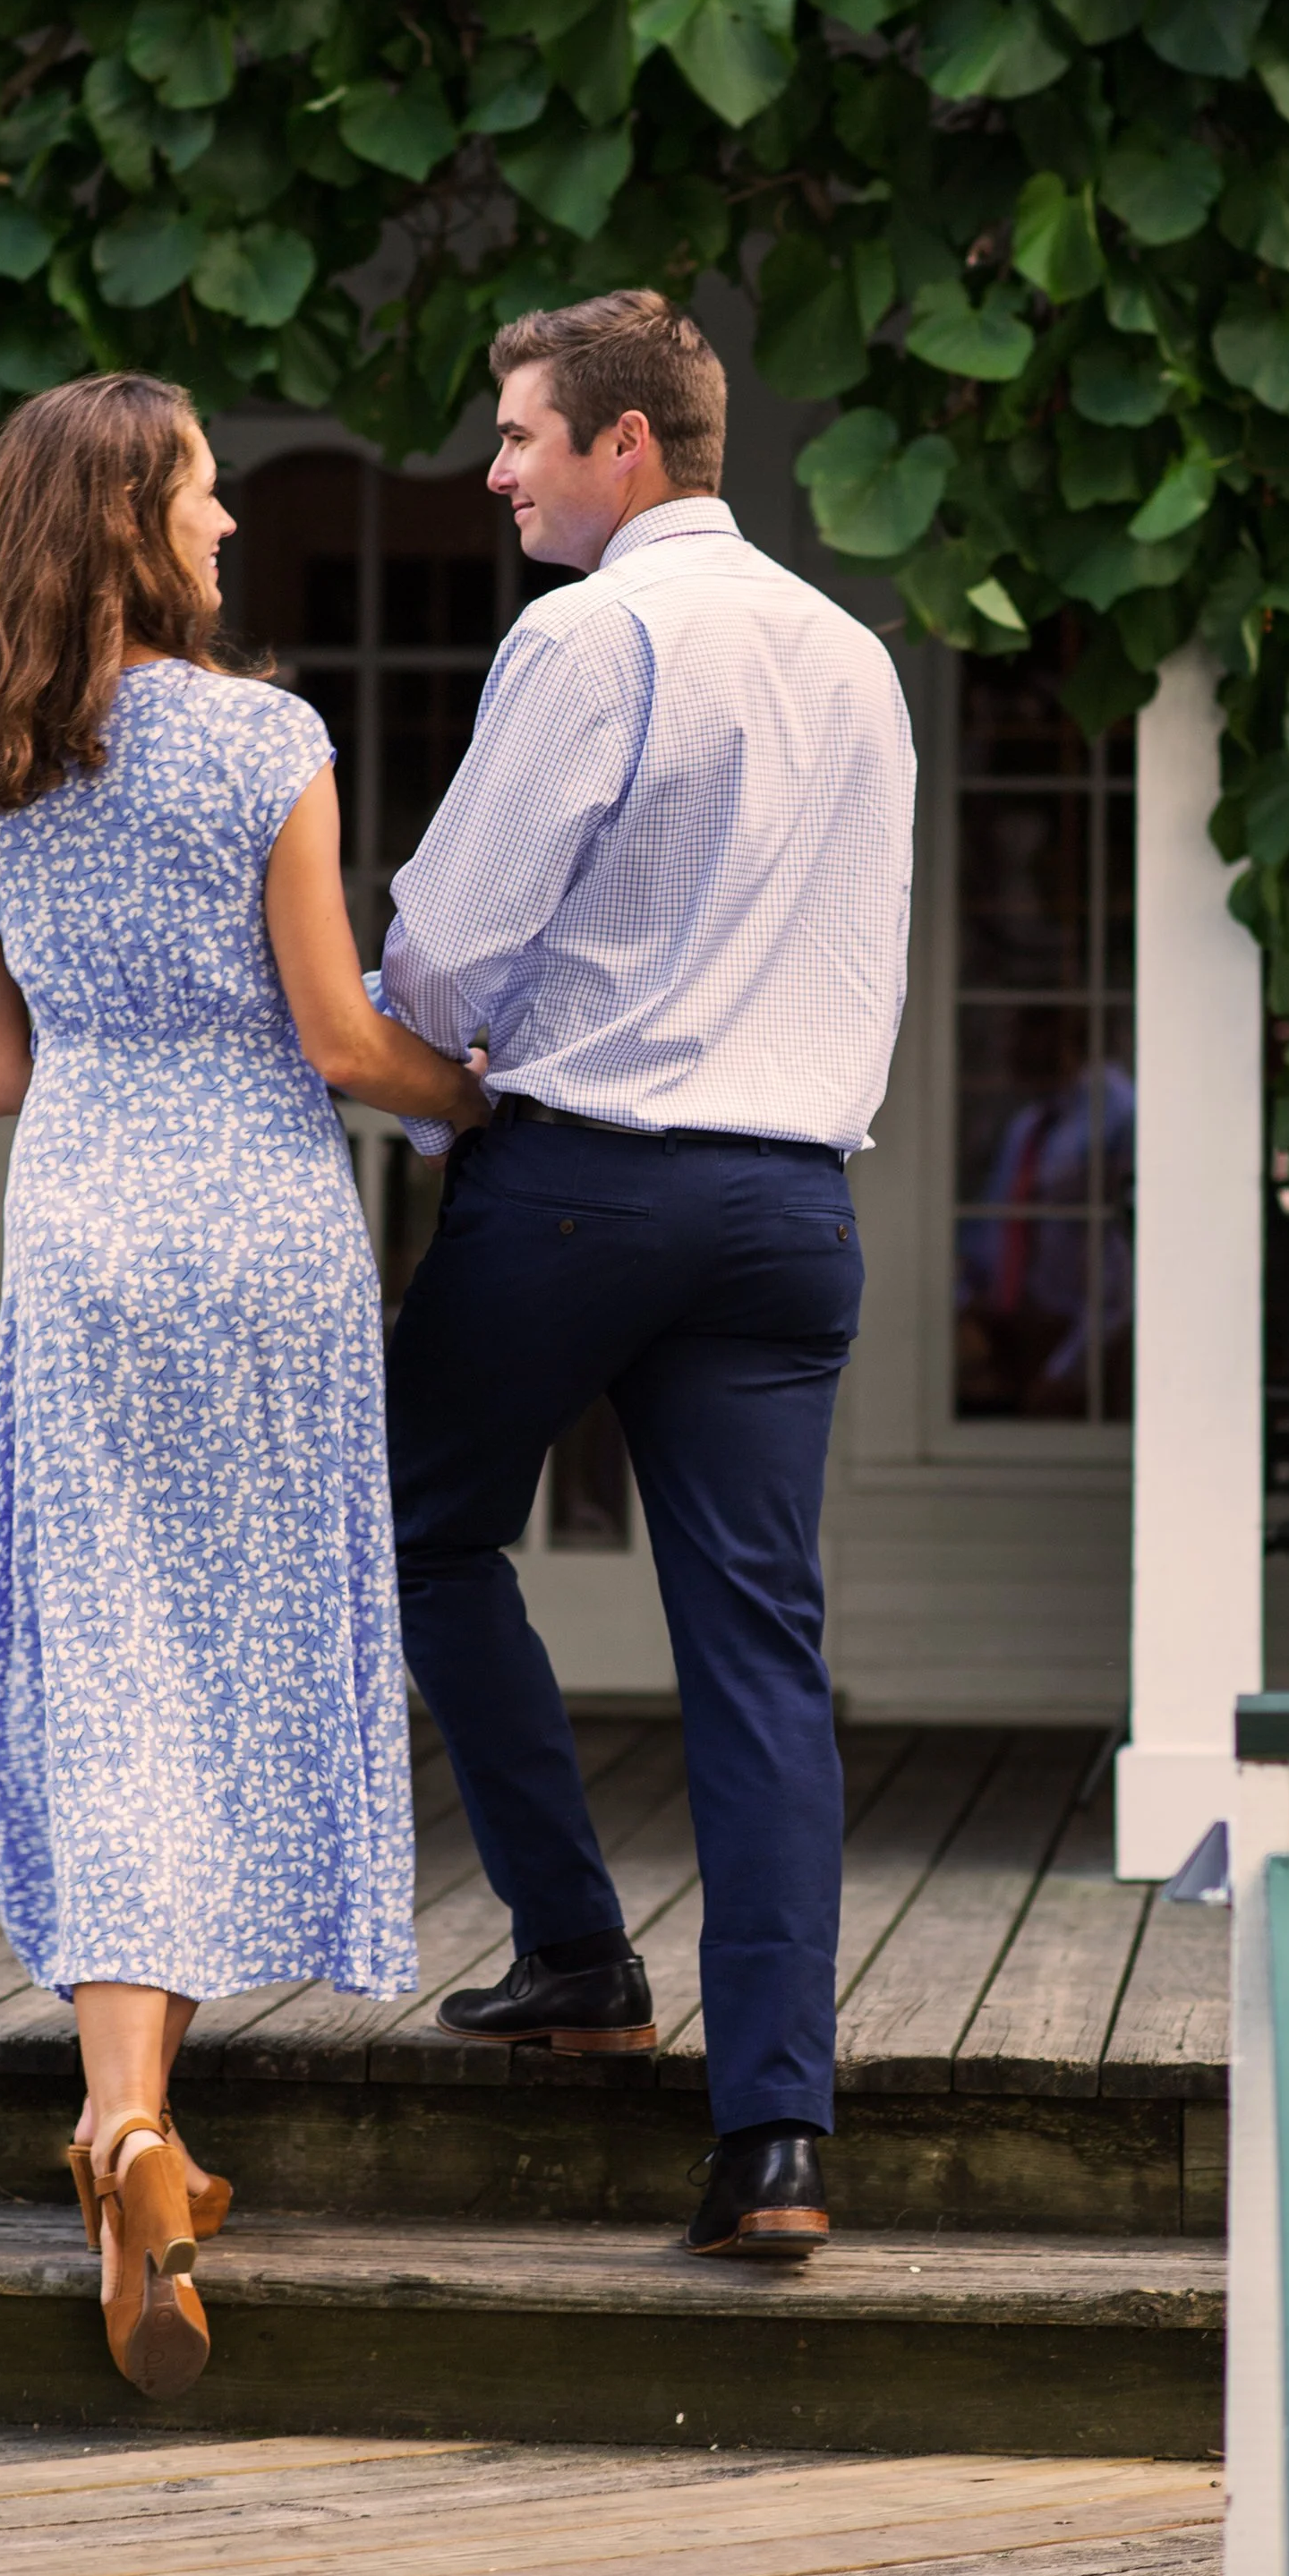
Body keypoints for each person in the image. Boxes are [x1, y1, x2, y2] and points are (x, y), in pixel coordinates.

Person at [0, 373, 487, 2398]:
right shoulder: (262, 738)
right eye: (211, 495)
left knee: (113, 1654)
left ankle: (129, 2125)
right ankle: (135, 2136)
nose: (233, 524)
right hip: (255, 1225)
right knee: (231, 1643)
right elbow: (335, 1032)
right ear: (135, 520)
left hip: (77, 1229)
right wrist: (472, 1092)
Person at [374, 292, 916, 2257]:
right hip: (789, 1210)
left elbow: (445, 945)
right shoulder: (853, 655)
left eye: (519, 433)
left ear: (625, 447)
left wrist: (426, 1097)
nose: (496, 468)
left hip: (585, 1182)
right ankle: (775, 2137)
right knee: (760, 1652)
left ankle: (581, 1952)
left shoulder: (587, 629)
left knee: (417, 1523)